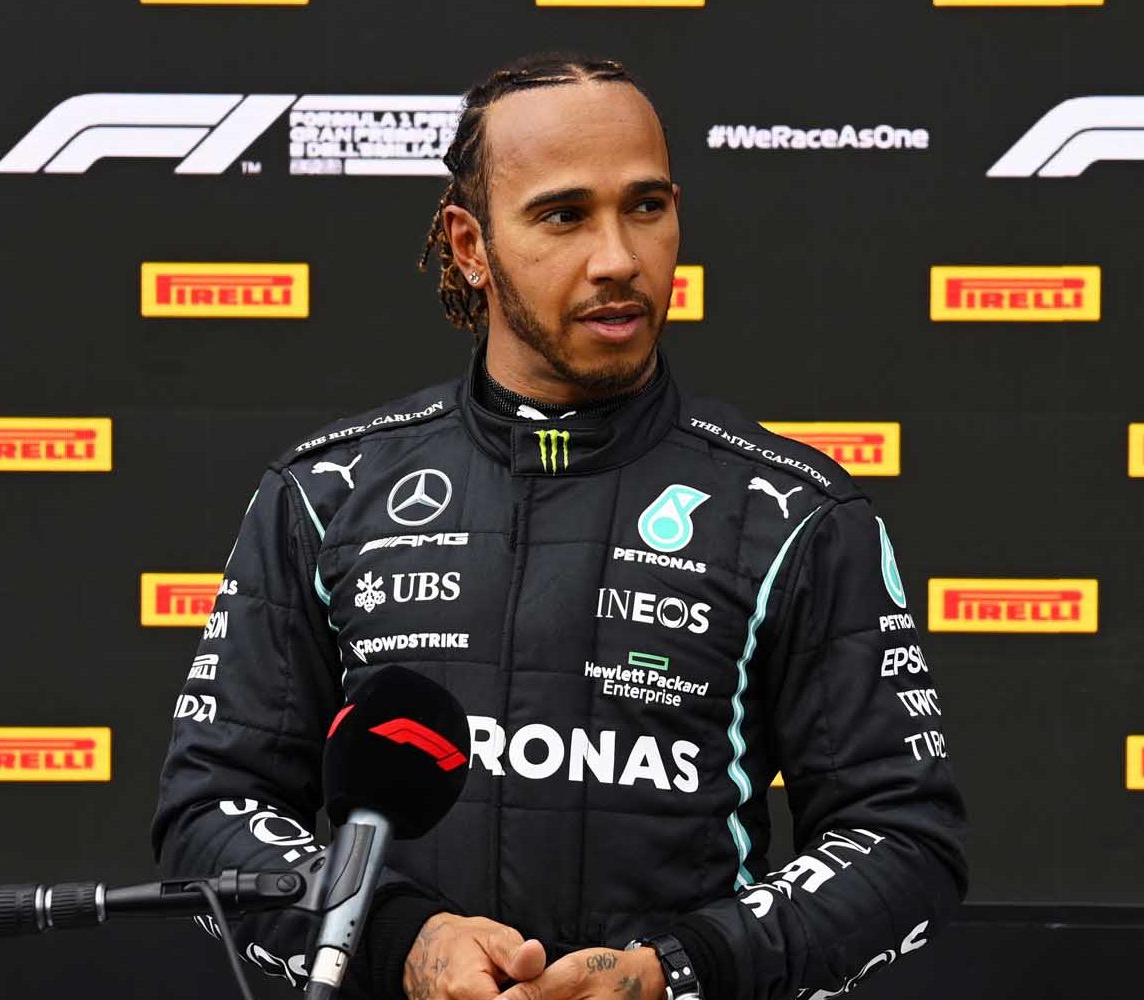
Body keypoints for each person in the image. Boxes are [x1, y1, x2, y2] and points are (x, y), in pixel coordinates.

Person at [152, 54, 966, 1000]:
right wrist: (401, 941)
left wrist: (677, 971)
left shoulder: (794, 512)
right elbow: (212, 812)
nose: (619, 257)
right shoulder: (326, 495)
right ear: (468, 242)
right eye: (564, 215)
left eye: (647, 207)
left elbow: (904, 843)